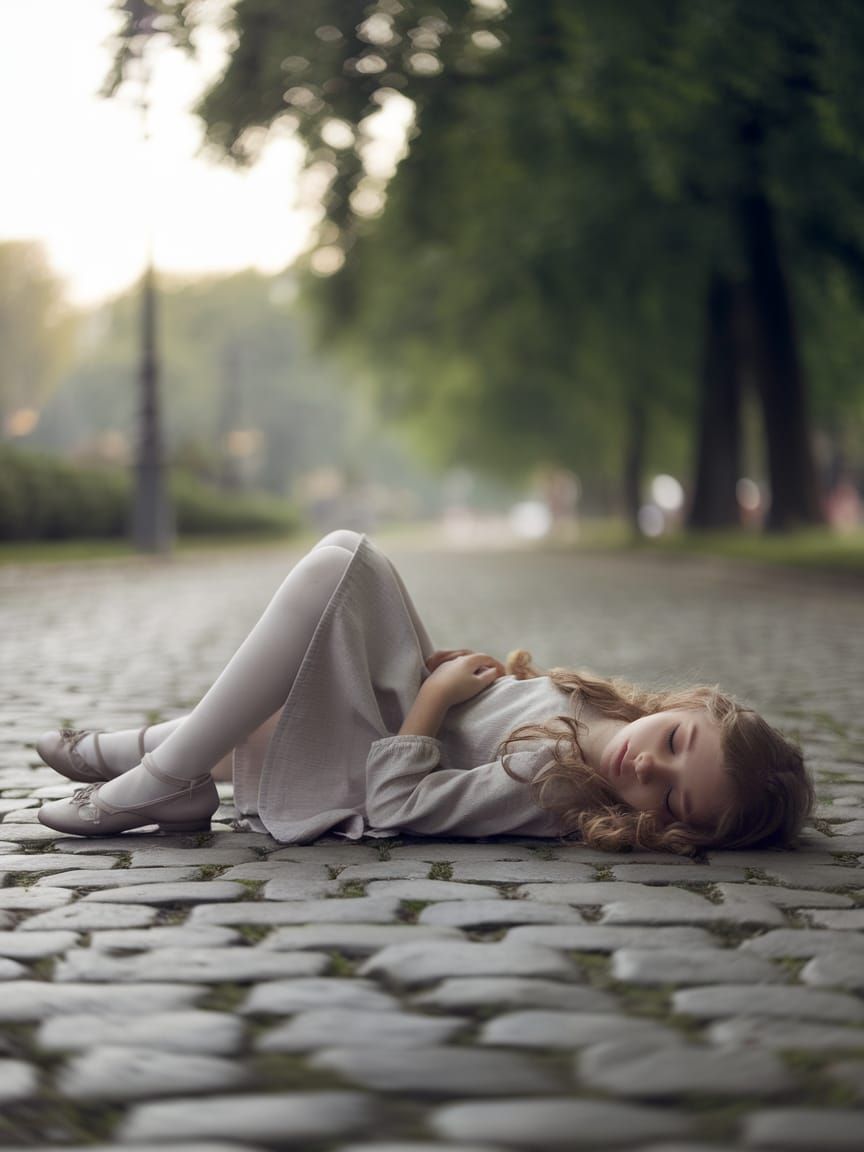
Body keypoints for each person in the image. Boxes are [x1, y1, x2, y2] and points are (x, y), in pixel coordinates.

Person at [35, 531, 813, 854]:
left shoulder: (552, 784)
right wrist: (482, 676)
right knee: (345, 557)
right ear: (684, 707)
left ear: (670, 833)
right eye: (677, 746)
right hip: (388, 714)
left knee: (342, 568)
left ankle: (155, 778)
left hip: (365, 762)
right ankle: (147, 763)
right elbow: (509, 714)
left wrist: (435, 699)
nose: (650, 772)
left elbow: (402, 802)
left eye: (672, 803)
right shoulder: (604, 714)